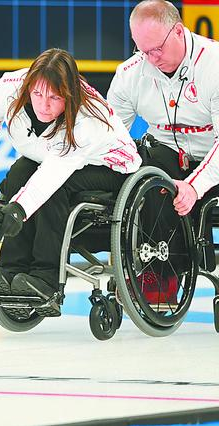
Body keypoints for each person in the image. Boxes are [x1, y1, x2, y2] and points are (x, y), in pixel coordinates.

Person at [0, 48, 141, 316]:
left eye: (54, 97)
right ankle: (11, 269)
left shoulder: (88, 119)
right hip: (47, 156)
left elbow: (53, 174)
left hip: (108, 166)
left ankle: (45, 277)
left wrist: (19, 209)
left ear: (68, 95)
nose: (43, 105)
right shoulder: (11, 87)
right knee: (16, 176)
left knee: (52, 190)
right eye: (37, 94)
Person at [107, 0, 219, 285]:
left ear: (179, 31)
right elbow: (110, 137)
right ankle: (163, 273)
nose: (153, 59)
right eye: (143, 51)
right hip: (167, 153)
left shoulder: (214, 65)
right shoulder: (130, 73)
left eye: (158, 48)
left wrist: (194, 186)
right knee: (146, 173)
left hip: (212, 155)